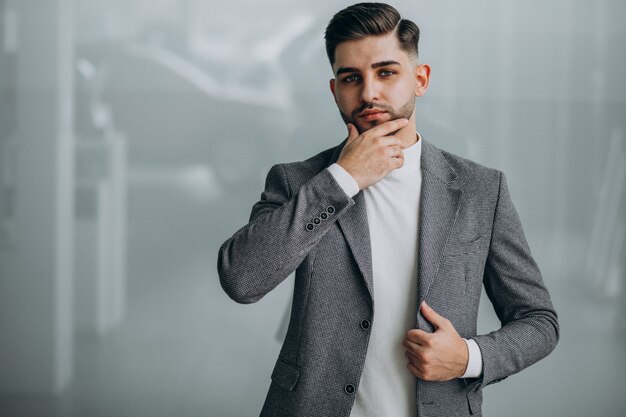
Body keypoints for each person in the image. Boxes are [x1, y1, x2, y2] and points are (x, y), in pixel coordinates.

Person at [217, 3, 559, 416]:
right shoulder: (297, 182)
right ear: (334, 90)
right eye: (351, 78)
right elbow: (241, 279)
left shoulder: (480, 190)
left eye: (386, 72)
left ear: (420, 79)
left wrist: (469, 357)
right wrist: (344, 178)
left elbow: (539, 321)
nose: (368, 93)